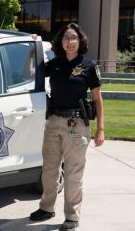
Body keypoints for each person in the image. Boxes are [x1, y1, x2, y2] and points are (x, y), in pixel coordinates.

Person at [29, 23, 105, 231]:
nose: (69, 42)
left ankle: (72, 216)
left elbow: (98, 100)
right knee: (49, 170)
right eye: (65, 38)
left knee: (73, 173)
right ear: (60, 42)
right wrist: (32, 46)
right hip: (53, 122)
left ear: (80, 41)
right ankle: (46, 208)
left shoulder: (89, 66)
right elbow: (31, 72)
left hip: (77, 125)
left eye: (73, 38)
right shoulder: (54, 64)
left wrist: (101, 129)